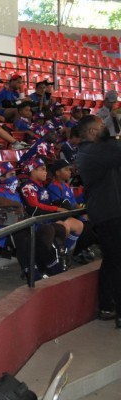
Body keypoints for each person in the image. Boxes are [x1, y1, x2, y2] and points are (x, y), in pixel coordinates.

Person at [75, 114, 121, 325]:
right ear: (93, 131)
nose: (106, 128)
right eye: (102, 126)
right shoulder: (90, 151)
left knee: (112, 261)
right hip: (108, 214)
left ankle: (107, 306)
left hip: (112, 212)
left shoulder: (101, 150)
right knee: (116, 261)